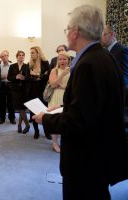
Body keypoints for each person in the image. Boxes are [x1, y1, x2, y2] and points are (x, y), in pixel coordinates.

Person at [33, 5, 128, 199]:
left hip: (86, 159)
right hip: (99, 155)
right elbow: (91, 106)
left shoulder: (88, 65)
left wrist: (46, 119)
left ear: (76, 32)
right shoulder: (104, 57)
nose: (67, 34)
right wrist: (61, 108)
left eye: (67, 29)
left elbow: (79, 121)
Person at [47, 52, 71, 153]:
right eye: (60, 59)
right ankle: (54, 143)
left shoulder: (73, 70)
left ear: (68, 60)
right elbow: (53, 85)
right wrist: (62, 75)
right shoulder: (54, 70)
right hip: (56, 96)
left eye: (64, 59)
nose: (62, 61)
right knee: (55, 120)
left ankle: (64, 142)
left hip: (68, 97)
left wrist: (62, 86)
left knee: (67, 120)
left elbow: (74, 86)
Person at [27, 46, 51, 139]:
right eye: (30, 53)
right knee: (33, 113)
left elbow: (48, 76)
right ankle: (36, 131)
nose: (31, 54)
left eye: (33, 52)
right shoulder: (29, 64)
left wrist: (36, 75)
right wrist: (40, 76)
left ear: (38, 53)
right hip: (32, 91)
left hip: (43, 91)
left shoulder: (45, 63)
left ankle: (46, 132)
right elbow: (27, 78)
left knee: (44, 112)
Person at [7, 50, 29, 134]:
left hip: (24, 90)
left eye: (23, 55)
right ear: (17, 57)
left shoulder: (27, 66)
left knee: (22, 108)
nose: (21, 56)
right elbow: (9, 78)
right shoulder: (12, 66)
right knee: (21, 108)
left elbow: (28, 78)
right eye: (19, 55)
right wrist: (16, 77)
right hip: (15, 90)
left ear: (24, 57)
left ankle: (20, 125)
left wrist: (24, 78)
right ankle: (26, 125)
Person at [0, 50, 16, 125]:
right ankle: (2, 118)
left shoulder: (13, 65)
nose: (4, 57)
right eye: (2, 56)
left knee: (11, 103)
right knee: (1, 103)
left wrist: (8, 77)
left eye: (5, 55)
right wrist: (1, 77)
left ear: (8, 56)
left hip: (10, 85)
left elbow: (14, 76)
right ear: (1, 58)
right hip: (1, 85)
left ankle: (12, 118)